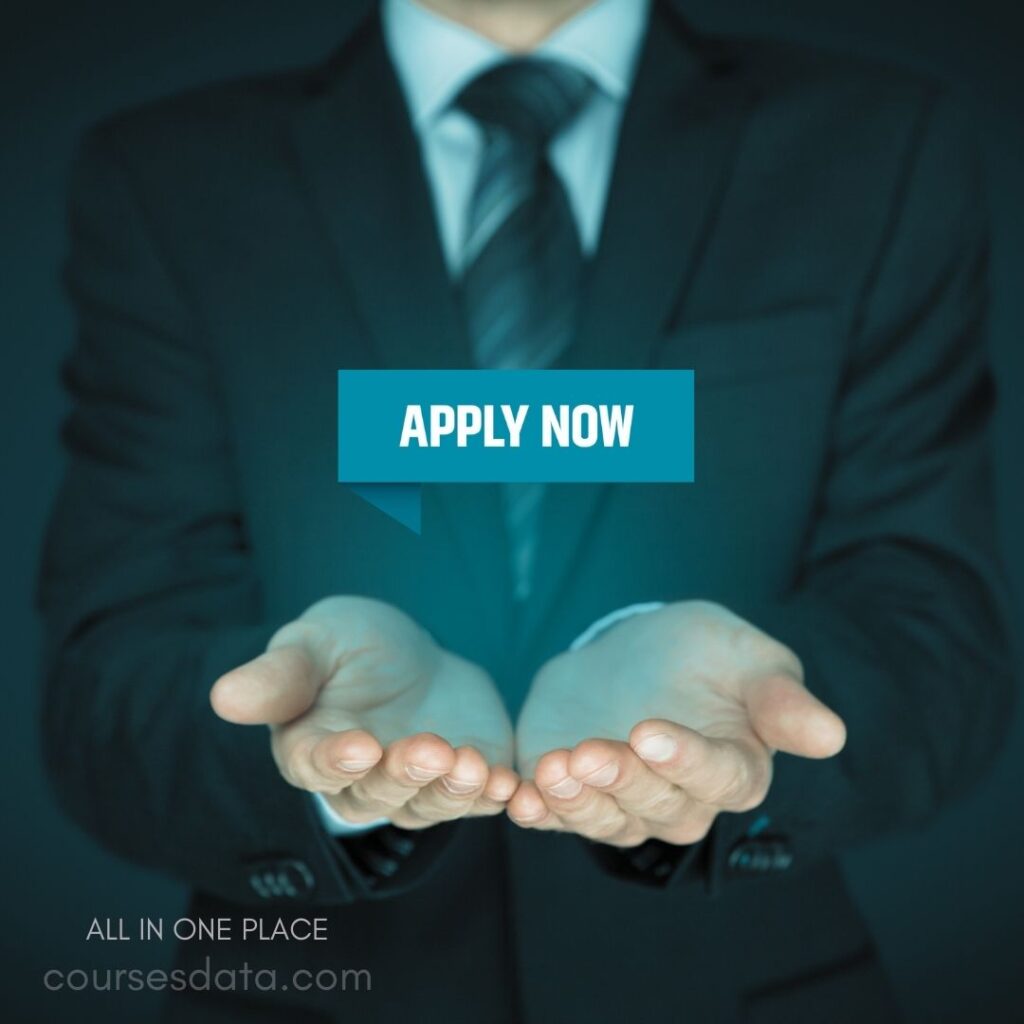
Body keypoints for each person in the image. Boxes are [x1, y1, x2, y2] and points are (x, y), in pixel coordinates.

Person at [39, 0, 1012, 1021]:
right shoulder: (171, 175)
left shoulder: (873, 143)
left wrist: (711, 730)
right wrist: (325, 760)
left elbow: (933, 631)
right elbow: (107, 682)